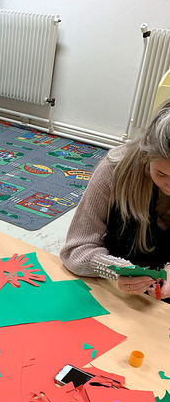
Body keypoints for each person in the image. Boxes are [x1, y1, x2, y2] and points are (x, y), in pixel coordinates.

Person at [60, 100, 170, 301]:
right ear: (147, 156)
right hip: (120, 298)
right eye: (161, 173)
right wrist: (113, 269)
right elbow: (75, 251)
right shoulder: (114, 170)